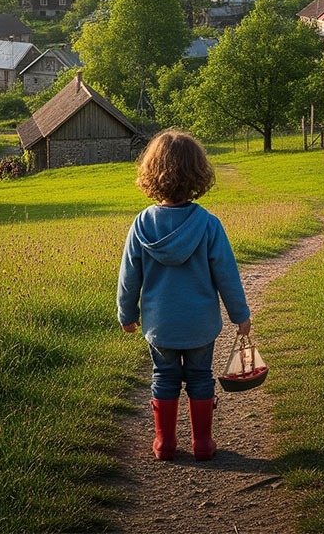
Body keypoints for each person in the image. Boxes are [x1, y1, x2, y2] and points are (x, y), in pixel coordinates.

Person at [117, 129, 251, 461]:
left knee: (164, 376)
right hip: (199, 325)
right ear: (197, 173)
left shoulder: (142, 224)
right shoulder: (208, 224)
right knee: (200, 376)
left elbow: (128, 276)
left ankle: (165, 444)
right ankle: (203, 444)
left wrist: (127, 314)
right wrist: (240, 315)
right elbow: (227, 275)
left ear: (152, 173)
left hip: (160, 324)